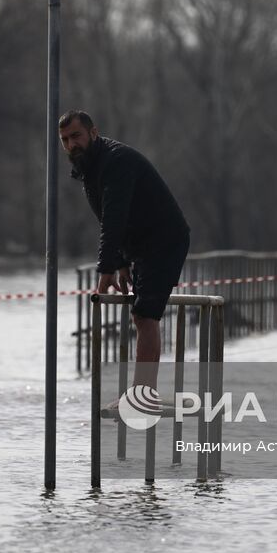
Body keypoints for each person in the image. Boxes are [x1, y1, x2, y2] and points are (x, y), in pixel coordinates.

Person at [59, 109, 189, 392]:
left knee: (145, 314)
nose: (71, 145)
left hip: (165, 239)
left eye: (76, 136)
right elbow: (105, 217)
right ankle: (143, 393)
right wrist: (119, 263)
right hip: (139, 244)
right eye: (65, 140)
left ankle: (142, 395)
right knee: (141, 316)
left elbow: (114, 219)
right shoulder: (89, 165)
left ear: (93, 132)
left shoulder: (116, 161)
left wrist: (104, 269)